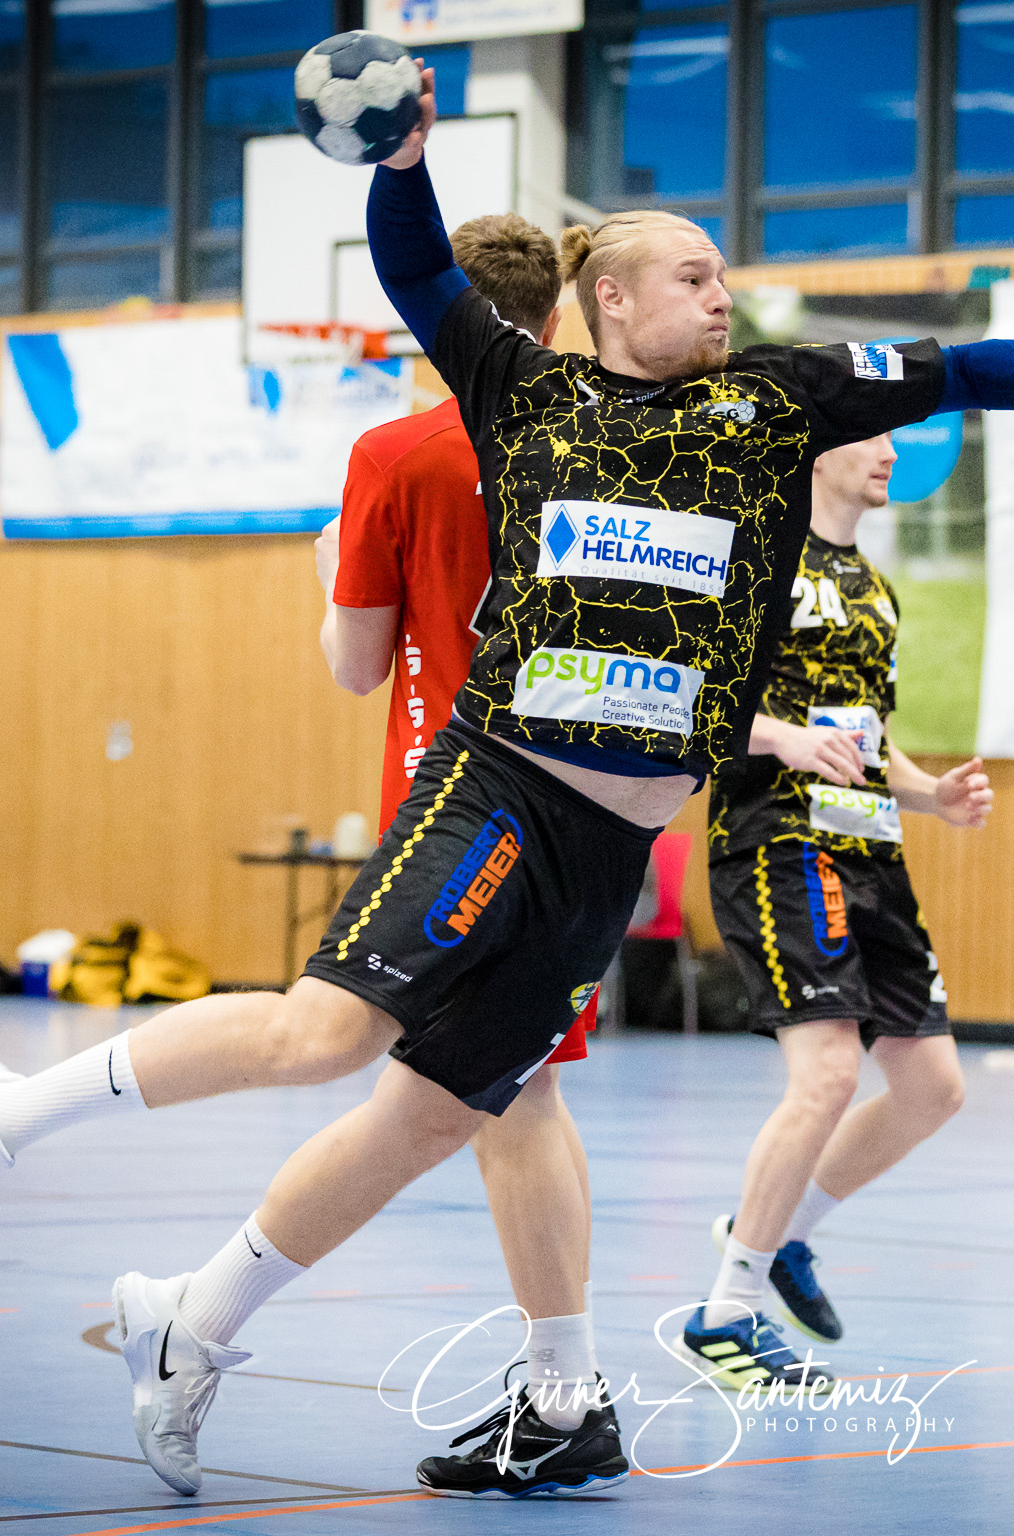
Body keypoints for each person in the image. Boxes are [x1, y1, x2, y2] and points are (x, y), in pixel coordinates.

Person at [0, 68, 1014, 1500]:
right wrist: (404, 159)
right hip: (497, 787)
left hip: (613, 853)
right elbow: (414, 263)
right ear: (612, 297)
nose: (724, 295)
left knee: (435, 1114)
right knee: (322, 1037)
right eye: (694, 274)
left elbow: (966, 366)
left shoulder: (778, 400)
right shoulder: (521, 389)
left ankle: (193, 1322)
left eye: (728, 274)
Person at [314, 210, 608, 1496]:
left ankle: (195, 1312)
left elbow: (354, 664)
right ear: (556, 316)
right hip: (593, 807)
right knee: (522, 1091)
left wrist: (326, 568)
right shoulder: (611, 431)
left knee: (378, 1064)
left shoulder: (397, 448)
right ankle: (562, 1387)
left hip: (456, 803)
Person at [682, 433, 987, 1378]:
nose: (893, 451)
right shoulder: (755, 556)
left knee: (934, 1087)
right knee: (826, 1076)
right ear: (816, 451)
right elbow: (692, 698)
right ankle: (725, 1314)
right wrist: (781, 738)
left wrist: (933, 794)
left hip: (872, 852)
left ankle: (776, 1230)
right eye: (873, 435)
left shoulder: (875, 588)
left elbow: (865, 736)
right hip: (777, 838)